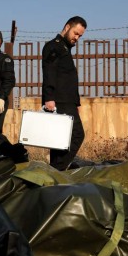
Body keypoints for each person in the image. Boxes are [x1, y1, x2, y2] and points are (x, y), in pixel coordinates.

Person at [42, 16, 87, 170]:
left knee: (60, 140)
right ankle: (57, 170)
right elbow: (49, 73)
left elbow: (67, 79)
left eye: (80, 36)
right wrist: (49, 98)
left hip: (68, 101)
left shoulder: (64, 49)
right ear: (67, 27)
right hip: (59, 101)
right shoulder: (53, 47)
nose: (77, 38)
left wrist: (76, 103)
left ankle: (54, 171)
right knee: (77, 135)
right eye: (76, 33)